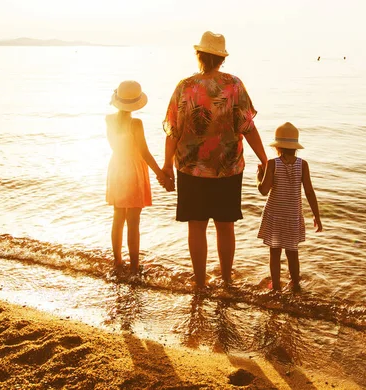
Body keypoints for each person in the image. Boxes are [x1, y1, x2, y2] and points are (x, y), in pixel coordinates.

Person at [162, 31, 268, 288]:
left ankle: (200, 283)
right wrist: (265, 160)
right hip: (227, 168)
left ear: (199, 55)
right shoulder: (233, 85)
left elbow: (172, 131)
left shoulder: (184, 87)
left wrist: (166, 165)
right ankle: (227, 281)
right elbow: (247, 126)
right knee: (225, 227)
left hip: (190, 168)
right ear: (221, 59)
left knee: (196, 227)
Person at [106, 80, 172, 274]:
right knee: (133, 221)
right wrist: (162, 176)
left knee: (118, 217)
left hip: (116, 167)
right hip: (133, 169)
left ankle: (117, 261)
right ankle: (134, 265)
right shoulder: (136, 123)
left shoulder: (108, 119)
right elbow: (144, 152)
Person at [257, 122, 322, 291]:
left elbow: (264, 191)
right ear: (295, 147)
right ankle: (295, 284)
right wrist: (317, 215)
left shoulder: (272, 164)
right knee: (292, 252)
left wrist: (259, 176)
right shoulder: (303, 164)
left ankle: (276, 287)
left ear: (278, 147)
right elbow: (309, 191)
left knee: (275, 252)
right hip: (292, 215)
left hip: (274, 214)